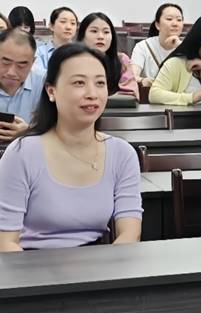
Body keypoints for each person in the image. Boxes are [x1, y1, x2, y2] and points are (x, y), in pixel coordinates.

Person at [0, 43, 142, 251]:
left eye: (100, 83)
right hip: (29, 262)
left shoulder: (122, 153)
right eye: (79, 83)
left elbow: (130, 233)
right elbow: (5, 241)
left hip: (98, 263)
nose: (92, 93)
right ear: (51, 91)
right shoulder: (22, 153)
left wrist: (105, 268)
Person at [149, 15, 201, 106]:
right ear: (197, 41)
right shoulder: (176, 63)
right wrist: (191, 97)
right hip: (182, 115)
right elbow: (154, 95)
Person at [77, 12, 139, 99]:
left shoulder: (121, 60)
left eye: (106, 32)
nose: (101, 36)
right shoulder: (71, 61)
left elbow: (130, 93)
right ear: (82, 35)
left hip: (115, 107)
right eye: (94, 31)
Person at [0, 29, 45, 139]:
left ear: (33, 62)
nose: (11, 72)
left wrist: (29, 131)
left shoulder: (45, 83)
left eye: (21, 65)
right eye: (6, 62)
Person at [131, 3, 184, 87]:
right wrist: (143, 81)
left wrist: (180, 46)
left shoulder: (186, 48)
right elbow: (133, 77)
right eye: (169, 19)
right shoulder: (143, 47)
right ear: (157, 25)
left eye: (179, 20)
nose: (175, 24)